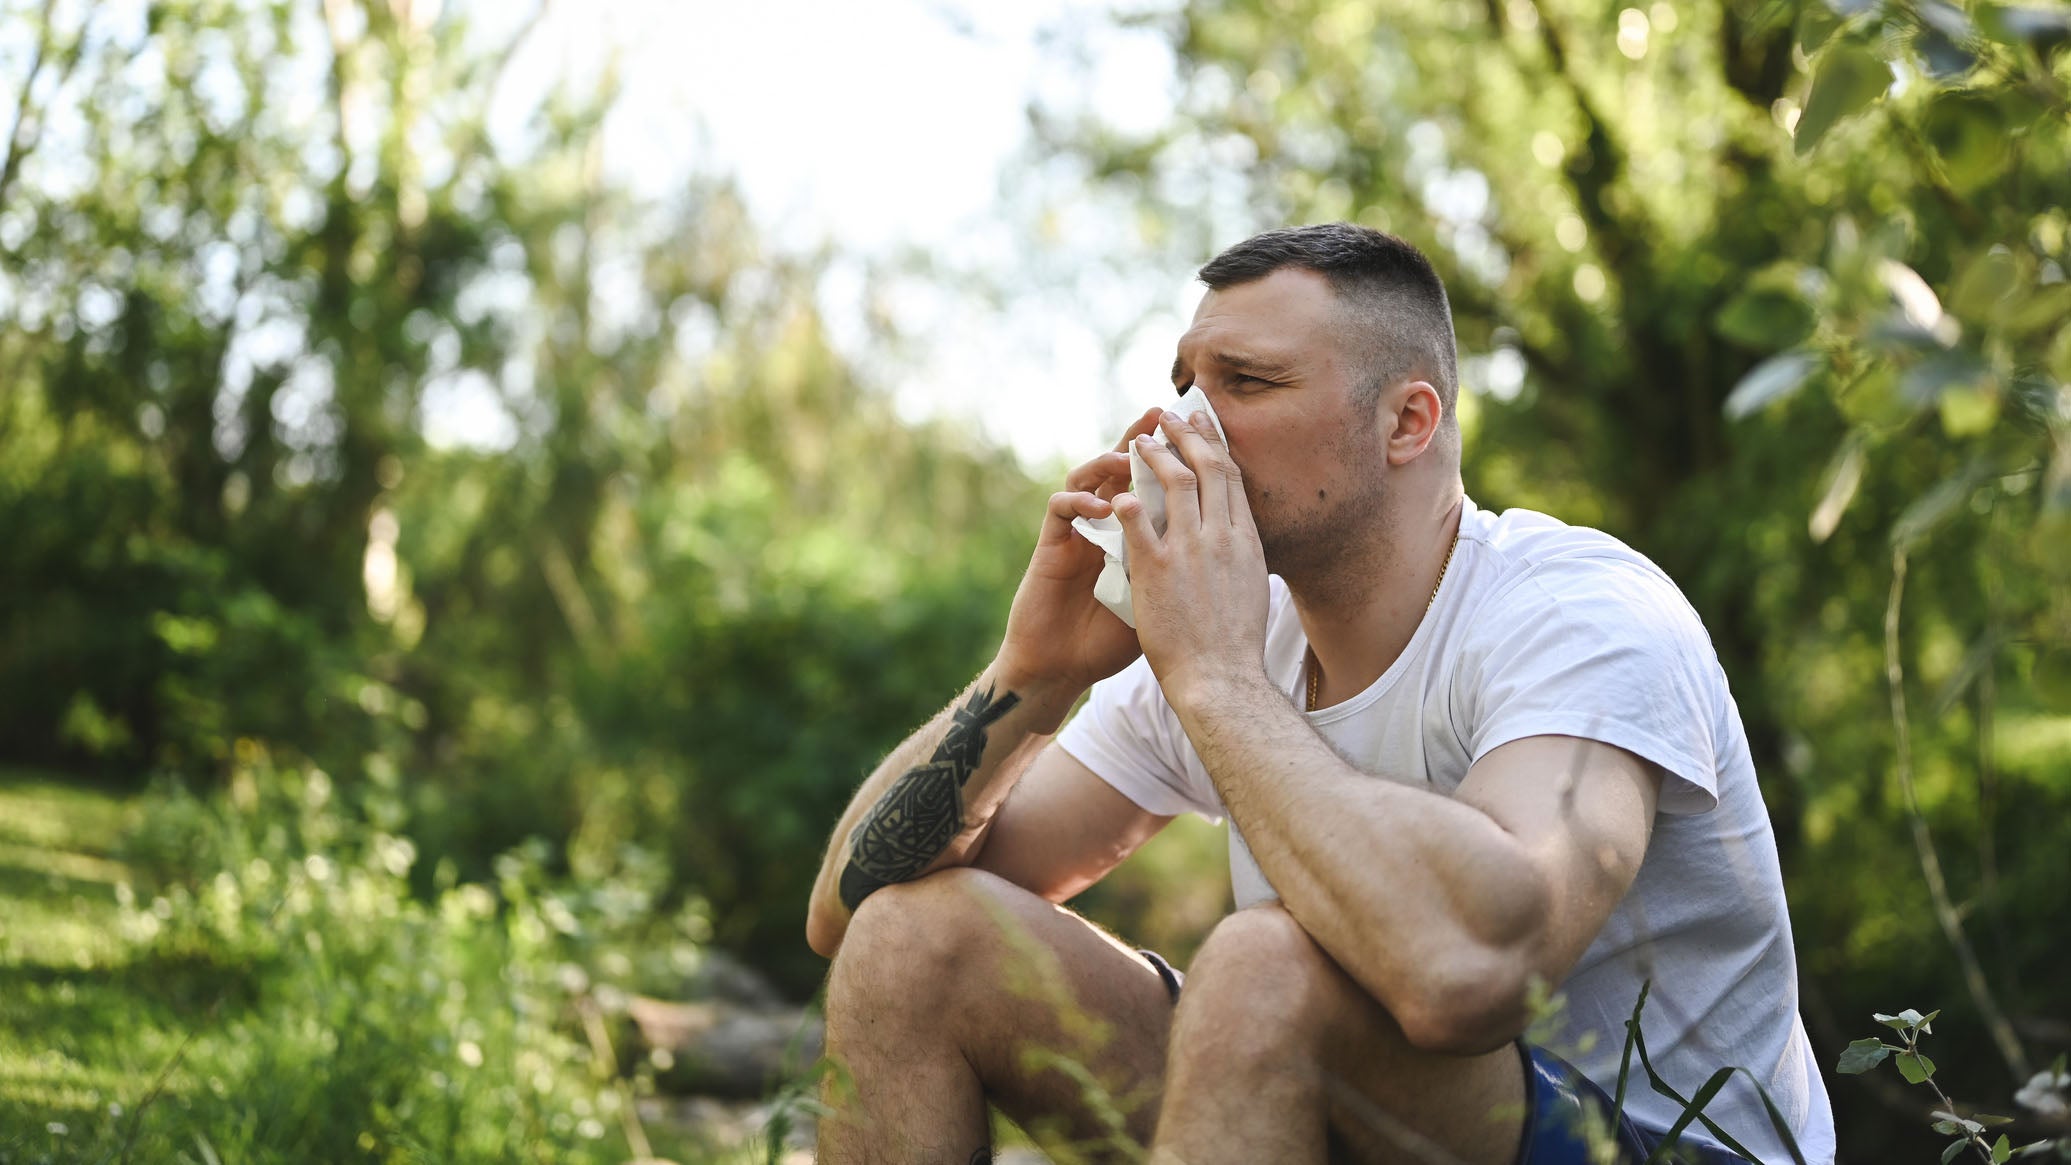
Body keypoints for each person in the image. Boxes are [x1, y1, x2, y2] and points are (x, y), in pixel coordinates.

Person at [803, 223, 1836, 1165]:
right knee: (909, 945)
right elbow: (847, 914)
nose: (1182, 428)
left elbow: (1468, 975)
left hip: (1666, 1143)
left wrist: (1214, 680)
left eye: (1246, 384)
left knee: (1265, 968)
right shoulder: (1234, 630)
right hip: (1380, 1116)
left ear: (1405, 422)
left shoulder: (1583, 613)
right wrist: (1032, 675)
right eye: (1183, 385)